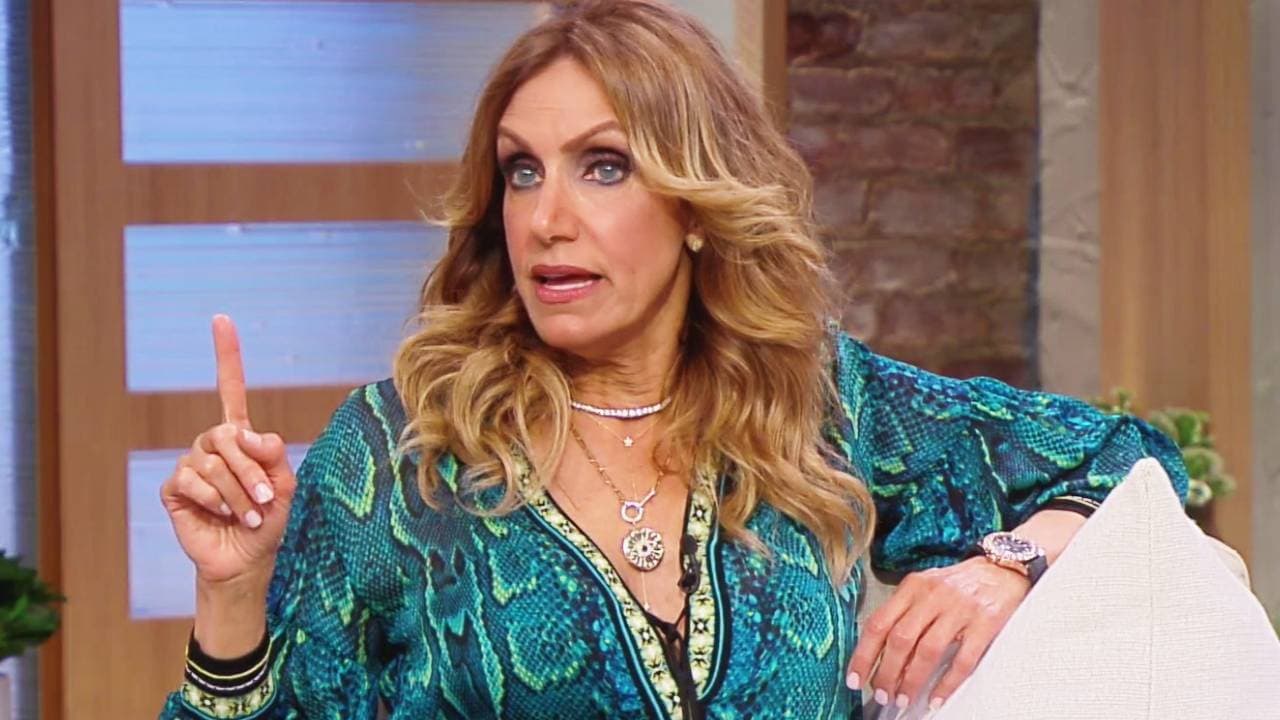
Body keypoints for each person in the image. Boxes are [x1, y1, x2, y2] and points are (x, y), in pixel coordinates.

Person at [157, 2, 1187, 718]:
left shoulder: (816, 403)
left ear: (696, 205)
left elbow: (1130, 458)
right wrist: (230, 592)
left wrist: (1002, 568)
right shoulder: (401, 453)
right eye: (522, 172)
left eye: (603, 167)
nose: (547, 220)